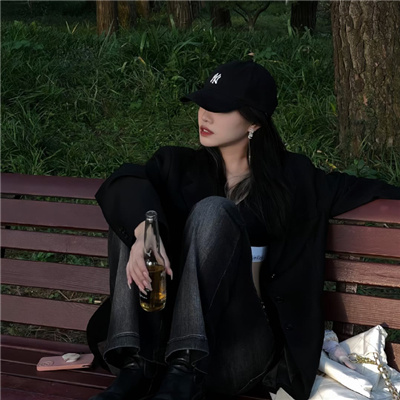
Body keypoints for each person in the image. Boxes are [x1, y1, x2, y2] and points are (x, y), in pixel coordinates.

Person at [87, 60, 400, 400]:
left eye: (219, 108)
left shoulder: (293, 181)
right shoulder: (178, 167)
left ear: (254, 121)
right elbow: (121, 183)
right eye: (202, 104)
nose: (204, 116)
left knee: (213, 211)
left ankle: (184, 371)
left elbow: (370, 189)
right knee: (139, 216)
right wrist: (143, 233)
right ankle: (134, 368)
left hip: (236, 353)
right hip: (159, 351)